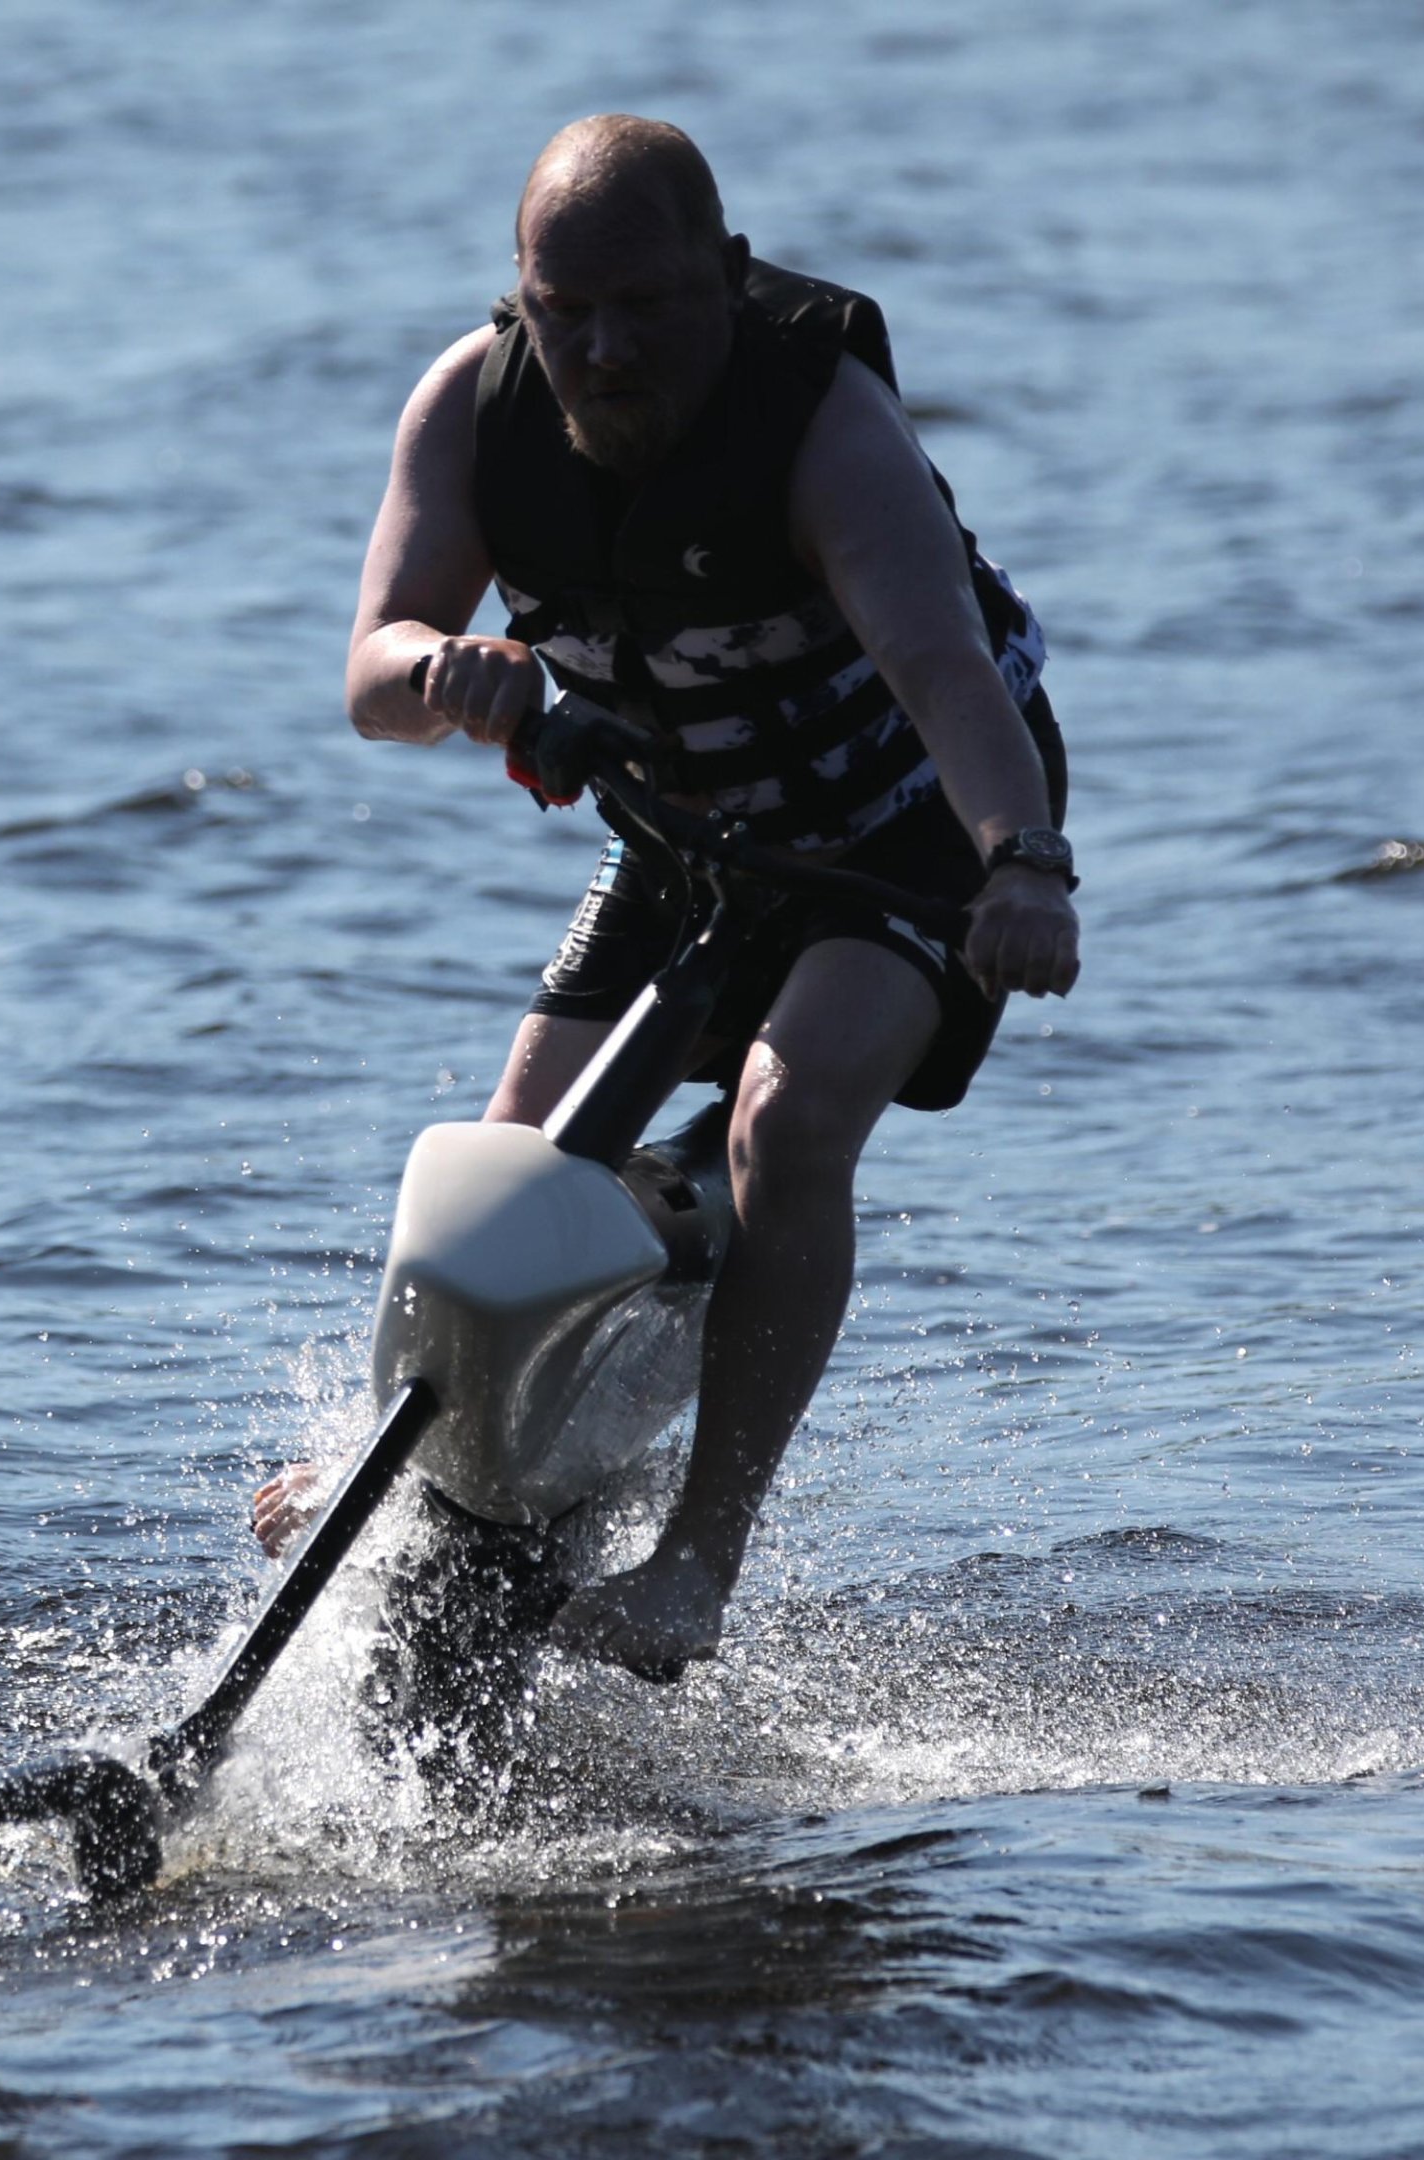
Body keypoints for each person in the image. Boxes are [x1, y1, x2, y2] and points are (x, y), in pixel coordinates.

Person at [253, 115, 1081, 1684]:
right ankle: (409, 1471)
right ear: (523, 299)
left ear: (726, 276)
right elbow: (372, 678)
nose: (607, 350)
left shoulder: (823, 422)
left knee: (787, 1116)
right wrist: (456, 672)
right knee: (515, 1167)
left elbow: (941, 671)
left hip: (908, 823)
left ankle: (697, 1562)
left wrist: (1024, 864)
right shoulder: (473, 407)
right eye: (568, 314)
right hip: (685, 838)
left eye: (647, 307)